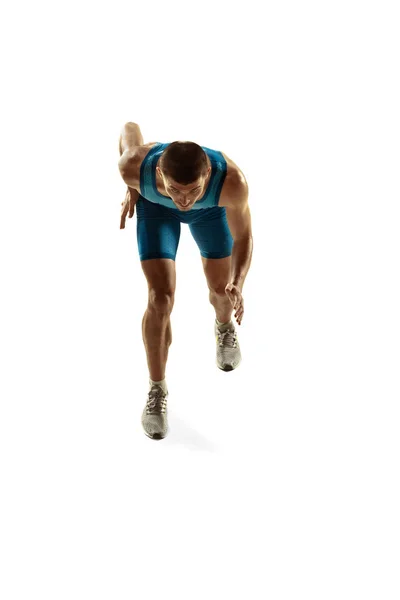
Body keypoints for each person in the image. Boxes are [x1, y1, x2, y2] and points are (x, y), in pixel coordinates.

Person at [118, 122, 253, 440]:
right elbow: (129, 128)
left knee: (222, 290)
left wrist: (239, 282)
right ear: (161, 174)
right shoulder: (133, 166)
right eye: (176, 190)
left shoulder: (231, 181)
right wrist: (133, 190)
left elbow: (244, 236)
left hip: (210, 214)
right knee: (159, 299)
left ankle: (224, 327)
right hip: (155, 211)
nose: (184, 199)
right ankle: (157, 390)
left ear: (207, 172)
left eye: (193, 190)